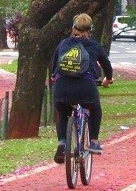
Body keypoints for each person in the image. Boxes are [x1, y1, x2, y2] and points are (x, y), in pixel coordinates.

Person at [50, 13, 113, 164]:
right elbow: (107, 66)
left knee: (61, 113)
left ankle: (62, 143)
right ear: (90, 30)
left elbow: (54, 67)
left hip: (62, 87)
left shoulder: (63, 44)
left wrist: (54, 77)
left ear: (73, 28)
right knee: (95, 108)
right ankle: (94, 141)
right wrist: (108, 79)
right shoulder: (94, 46)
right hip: (86, 87)